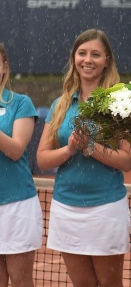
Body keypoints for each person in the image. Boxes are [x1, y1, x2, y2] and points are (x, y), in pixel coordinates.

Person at [36, 29, 131, 287]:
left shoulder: (120, 103)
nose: (87, 60)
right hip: (66, 207)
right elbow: (43, 160)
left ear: (107, 60)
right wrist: (69, 149)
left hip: (106, 209)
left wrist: (92, 148)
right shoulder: (61, 105)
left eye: (95, 54)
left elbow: (127, 161)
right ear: (74, 58)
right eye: (82, 53)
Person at [0, 43, 40, 287]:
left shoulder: (20, 103)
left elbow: (15, 150)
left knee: (21, 280)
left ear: (4, 67)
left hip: (17, 206)